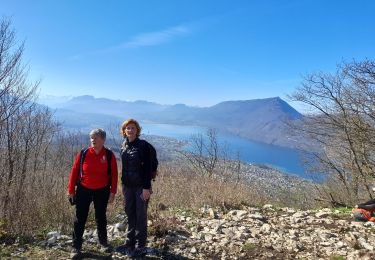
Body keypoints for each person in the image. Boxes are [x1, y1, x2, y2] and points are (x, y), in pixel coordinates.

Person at [67, 128, 118, 258]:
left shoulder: (109, 155)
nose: (93, 140)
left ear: (103, 140)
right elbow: (74, 171)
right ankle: (76, 246)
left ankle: (103, 243)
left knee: (101, 217)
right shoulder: (83, 153)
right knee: (80, 218)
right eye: (91, 138)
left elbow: (114, 174)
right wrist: (71, 190)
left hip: (102, 190)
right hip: (84, 189)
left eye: (96, 137)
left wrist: (113, 192)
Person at [119, 119, 152, 257]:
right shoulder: (124, 146)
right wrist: (123, 185)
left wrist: (146, 187)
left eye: (133, 128)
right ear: (124, 131)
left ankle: (140, 245)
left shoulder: (143, 146)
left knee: (140, 215)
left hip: (140, 187)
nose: (130, 130)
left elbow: (148, 168)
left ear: (137, 130)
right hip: (128, 186)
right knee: (130, 213)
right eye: (128, 128)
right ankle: (129, 242)